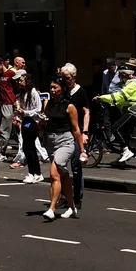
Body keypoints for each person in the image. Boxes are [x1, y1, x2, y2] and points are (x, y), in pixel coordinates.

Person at [42, 78, 87, 220]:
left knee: (54, 174)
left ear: (62, 89)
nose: (52, 90)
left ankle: (51, 208)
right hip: (50, 142)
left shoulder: (69, 106)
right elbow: (44, 123)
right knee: (63, 176)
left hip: (65, 142)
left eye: (55, 87)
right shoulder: (47, 104)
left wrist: (83, 150)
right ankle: (72, 207)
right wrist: (42, 123)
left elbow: (76, 130)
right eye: (51, 87)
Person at [96, 66, 136, 164]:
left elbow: (119, 96)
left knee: (115, 128)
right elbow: (123, 99)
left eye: (120, 75)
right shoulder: (128, 85)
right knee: (123, 131)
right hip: (129, 109)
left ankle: (126, 151)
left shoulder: (131, 85)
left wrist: (101, 98)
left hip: (133, 110)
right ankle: (123, 156)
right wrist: (115, 103)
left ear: (123, 75)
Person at [60, 63, 89, 209]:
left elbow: (86, 112)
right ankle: (65, 196)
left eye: (68, 78)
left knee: (76, 166)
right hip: (64, 132)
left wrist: (85, 132)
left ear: (74, 77)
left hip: (76, 132)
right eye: (64, 78)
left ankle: (78, 197)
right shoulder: (63, 92)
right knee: (62, 165)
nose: (66, 81)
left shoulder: (80, 92)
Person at [12, 73, 44, 183]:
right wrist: (18, 113)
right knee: (29, 147)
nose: (20, 83)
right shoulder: (22, 93)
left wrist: (25, 112)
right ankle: (37, 173)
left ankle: (32, 173)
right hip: (25, 121)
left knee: (28, 147)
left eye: (21, 80)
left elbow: (38, 109)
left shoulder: (34, 93)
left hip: (32, 122)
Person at [0, 57, 19, 159]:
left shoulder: (11, 73)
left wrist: (15, 101)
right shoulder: (0, 75)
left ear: (1, 63)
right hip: (2, 102)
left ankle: (2, 153)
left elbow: (16, 87)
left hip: (8, 102)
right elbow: (2, 89)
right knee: (12, 129)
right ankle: (24, 148)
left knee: (4, 129)